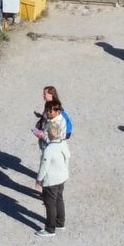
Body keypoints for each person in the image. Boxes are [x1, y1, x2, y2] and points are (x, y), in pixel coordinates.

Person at [34, 89, 72, 235]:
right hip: (62, 177)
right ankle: (60, 222)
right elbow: (67, 157)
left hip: (51, 179)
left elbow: (44, 166)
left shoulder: (49, 150)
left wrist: (39, 180)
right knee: (59, 199)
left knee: (49, 203)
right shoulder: (63, 144)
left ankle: (50, 229)